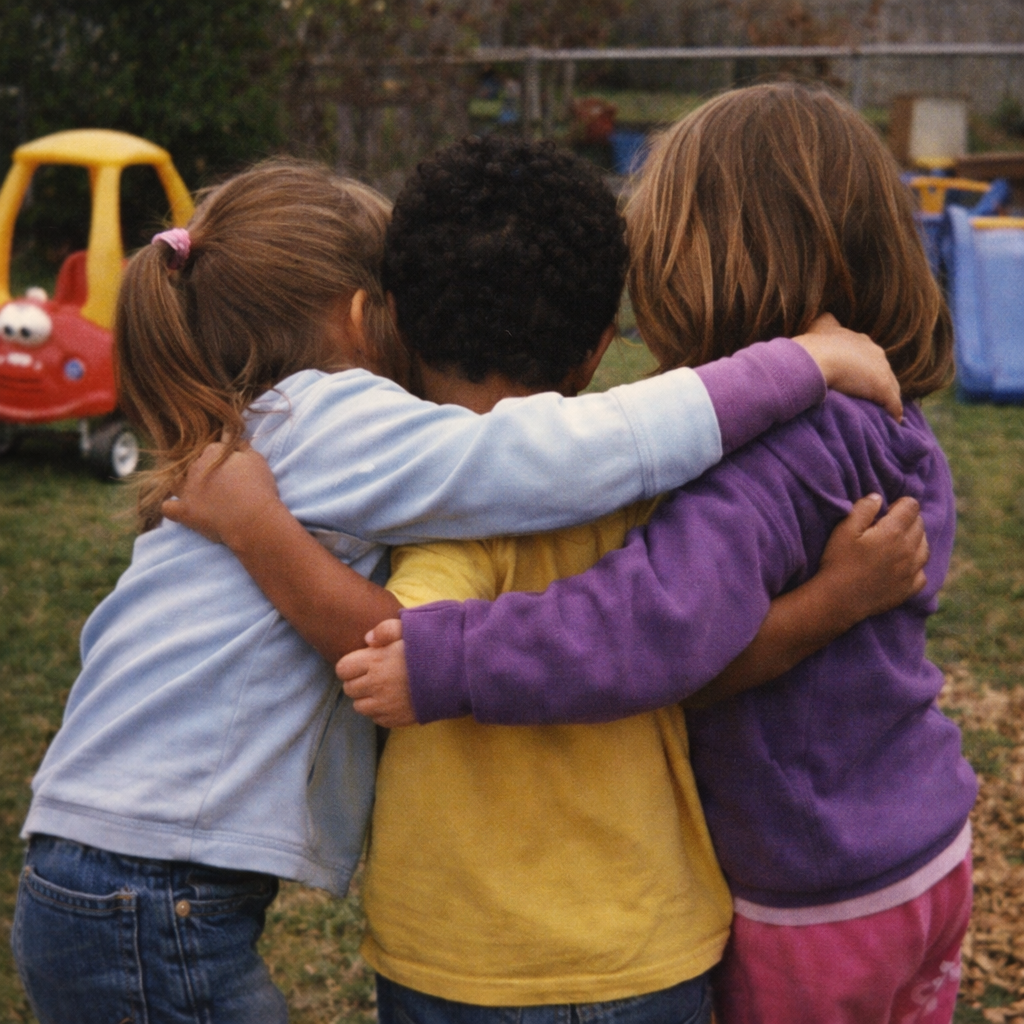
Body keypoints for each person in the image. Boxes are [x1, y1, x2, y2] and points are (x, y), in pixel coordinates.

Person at [11, 155, 897, 1024]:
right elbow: (548, 477)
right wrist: (800, 363)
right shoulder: (332, 417)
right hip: (147, 886)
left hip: (126, 872)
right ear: (366, 317)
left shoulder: (273, 435)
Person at [339, 86, 978, 1024]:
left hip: (815, 887)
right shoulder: (890, 419)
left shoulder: (772, 462)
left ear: (712, 266)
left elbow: (657, 623)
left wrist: (456, 657)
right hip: (924, 853)